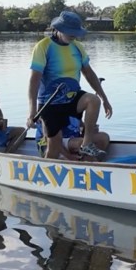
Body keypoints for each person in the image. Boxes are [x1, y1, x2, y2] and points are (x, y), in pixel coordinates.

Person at [26, 11, 113, 160]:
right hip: (50, 104)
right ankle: (48, 173)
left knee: (94, 100)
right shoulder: (43, 47)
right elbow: (34, 81)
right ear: (58, 29)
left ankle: (86, 145)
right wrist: (32, 111)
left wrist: (105, 99)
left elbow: (90, 74)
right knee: (53, 149)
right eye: (70, 32)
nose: (74, 35)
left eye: (76, 32)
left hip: (71, 99)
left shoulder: (77, 47)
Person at [35, 116, 110, 160]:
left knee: (103, 137)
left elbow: (82, 128)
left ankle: (87, 161)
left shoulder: (74, 106)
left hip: (72, 141)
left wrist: (90, 128)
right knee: (81, 143)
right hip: (51, 144)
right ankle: (90, 165)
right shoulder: (51, 108)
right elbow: (52, 140)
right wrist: (68, 156)